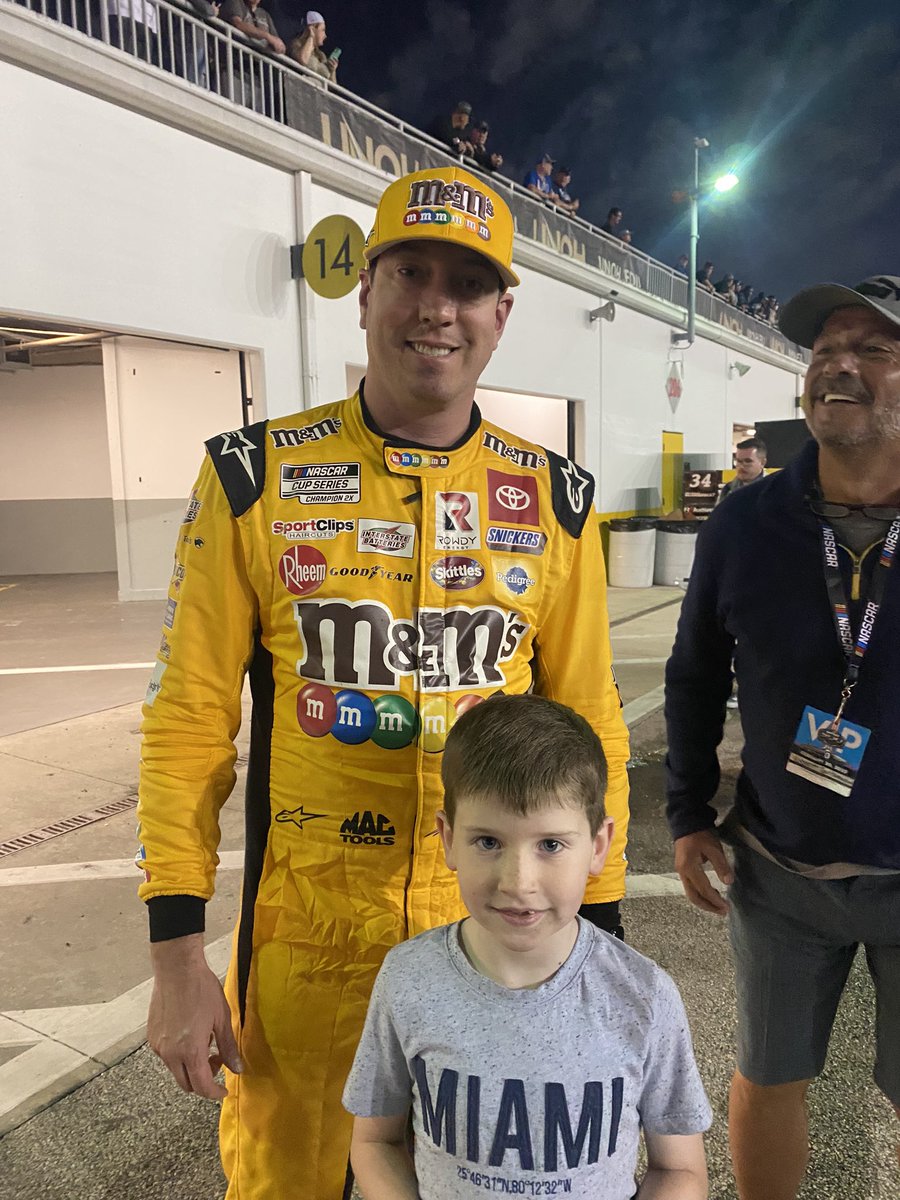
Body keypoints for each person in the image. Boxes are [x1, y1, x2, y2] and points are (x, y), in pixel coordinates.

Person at [138, 164, 631, 1200]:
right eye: (412, 273)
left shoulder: (555, 500)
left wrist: (604, 936)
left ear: (500, 316)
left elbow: (589, 724)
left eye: (468, 284)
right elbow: (187, 721)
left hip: (497, 928)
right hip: (311, 938)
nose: (437, 308)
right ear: (365, 292)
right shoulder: (251, 478)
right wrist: (178, 957)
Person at [665, 274, 900, 1200]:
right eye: (824, 350)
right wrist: (687, 810)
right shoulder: (747, 522)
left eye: (874, 349)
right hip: (779, 869)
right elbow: (694, 671)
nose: (839, 365)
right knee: (767, 1078)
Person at [345, 694, 710, 1200]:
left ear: (598, 846)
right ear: (448, 839)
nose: (518, 882)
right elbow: (375, 1140)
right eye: (488, 842)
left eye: (550, 845)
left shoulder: (644, 996)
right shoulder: (407, 980)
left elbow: (679, 1169)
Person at [220, 0, 284, 55]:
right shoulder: (236, 2)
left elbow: (279, 44)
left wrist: (279, 47)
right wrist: (266, 36)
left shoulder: (265, 14)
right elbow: (238, 24)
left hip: (259, 60)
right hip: (237, 54)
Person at [289, 9, 338, 80]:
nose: (325, 35)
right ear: (313, 28)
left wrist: (333, 71)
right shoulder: (296, 44)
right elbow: (303, 60)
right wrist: (311, 36)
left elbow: (331, 85)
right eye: (323, 30)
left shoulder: (321, 55)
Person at [716, 437, 767, 504]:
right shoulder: (727, 490)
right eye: (739, 461)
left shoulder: (773, 490)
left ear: (762, 463)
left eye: (748, 461)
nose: (741, 466)